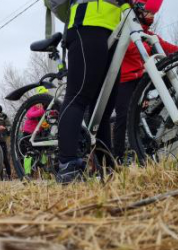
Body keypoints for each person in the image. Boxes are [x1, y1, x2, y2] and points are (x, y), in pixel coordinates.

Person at [55, 0, 123, 183]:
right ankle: (67, 165)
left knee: (104, 107)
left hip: (115, 27)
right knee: (78, 96)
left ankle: (107, 166)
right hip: (87, 21)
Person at [112, 0, 178, 161]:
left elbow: (167, 47)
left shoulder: (147, 34)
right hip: (124, 80)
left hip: (141, 79)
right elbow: (126, 48)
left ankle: (153, 115)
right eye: (149, 13)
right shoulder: (125, 31)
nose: (151, 17)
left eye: (154, 14)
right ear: (139, 11)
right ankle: (117, 156)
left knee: (168, 77)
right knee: (124, 117)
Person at [0, 105, 12, 180]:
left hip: (2, 140)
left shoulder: (4, 116)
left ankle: (9, 175)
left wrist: (4, 128)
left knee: (4, 159)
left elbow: (10, 127)